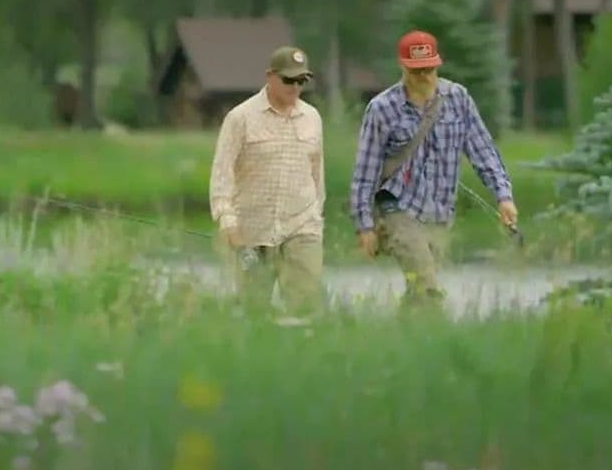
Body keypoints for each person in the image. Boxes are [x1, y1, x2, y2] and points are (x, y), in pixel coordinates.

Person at [349, 29, 518, 309]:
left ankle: (408, 332)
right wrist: (364, 225)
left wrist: (503, 196)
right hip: (396, 207)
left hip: (439, 212)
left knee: (419, 287)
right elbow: (364, 172)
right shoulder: (382, 109)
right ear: (403, 67)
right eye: (416, 70)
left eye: (429, 69)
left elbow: (483, 152)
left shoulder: (458, 99)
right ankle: (437, 321)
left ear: (437, 64)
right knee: (425, 281)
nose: (424, 76)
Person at [208, 45, 326, 315]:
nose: (295, 87)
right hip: (252, 232)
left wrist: (316, 217)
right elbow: (222, 173)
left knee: (306, 307)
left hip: (301, 227)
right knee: (254, 310)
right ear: (270, 77)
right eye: (288, 80)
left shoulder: (312, 118)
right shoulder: (240, 118)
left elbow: (317, 174)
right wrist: (228, 222)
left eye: (301, 81)